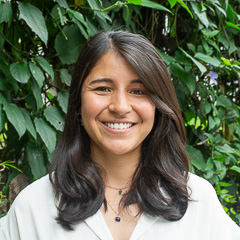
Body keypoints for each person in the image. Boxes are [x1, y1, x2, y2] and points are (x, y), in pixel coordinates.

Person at [0, 31, 239, 240]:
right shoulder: (32, 207)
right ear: (77, 102)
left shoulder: (198, 201)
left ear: (159, 104)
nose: (121, 106)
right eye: (103, 88)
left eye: (138, 91)